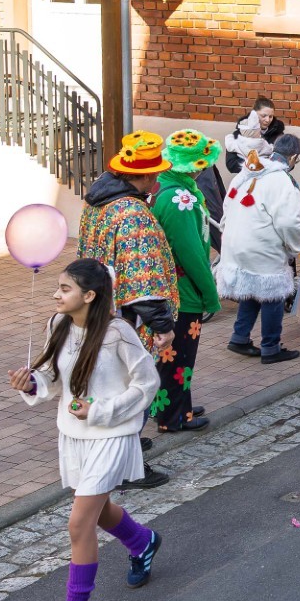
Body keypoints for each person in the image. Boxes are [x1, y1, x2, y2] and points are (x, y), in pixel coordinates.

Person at [9, 259, 163, 601]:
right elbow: (51, 378)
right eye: (57, 287)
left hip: (112, 434)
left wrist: (101, 411)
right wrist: (31, 383)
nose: (56, 294)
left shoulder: (119, 333)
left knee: (79, 522)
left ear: (90, 295)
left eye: (65, 289)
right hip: (75, 436)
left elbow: (147, 384)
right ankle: (143, 541)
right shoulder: (57, 325)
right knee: (98, 510)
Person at [77, 131, 178, 488]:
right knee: (134, 388)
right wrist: (163, 325)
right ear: (146, 176)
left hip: (98, 311)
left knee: (109, 384)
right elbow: (142, 282)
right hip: (126, 320)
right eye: (156, 172)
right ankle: (123, 464)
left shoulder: (97, 200)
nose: (158, 177)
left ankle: (123, 443)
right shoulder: (132, 214)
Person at [150, 129, 222, 432]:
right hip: (183, 292)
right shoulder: (180, 200)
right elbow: (192, 253)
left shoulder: (169, 188)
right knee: (178, 357)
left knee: (174, 356)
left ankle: (175, 405)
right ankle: (174, 416)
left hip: (174, 289)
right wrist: (210, 293)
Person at [217, 138, 300, 364]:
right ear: (293, 157)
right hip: (261, 245)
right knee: (273, 293)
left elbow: (227, 206)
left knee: (250, 287)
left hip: (235, 242)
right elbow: (289, 222)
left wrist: (227, 232)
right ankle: (271, 347)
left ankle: (240, 337)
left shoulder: (246, 172)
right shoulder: (282, 180)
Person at [226, 96, 284, 174]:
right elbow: (231, 165)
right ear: (254, 114)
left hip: (272, 178)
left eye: (270, 116)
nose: (267, 120)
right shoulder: (238, 134)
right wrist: (258, 165)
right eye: (263, 116)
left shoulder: (278, 135)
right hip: (249, 179)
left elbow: (285, 161)